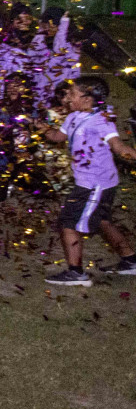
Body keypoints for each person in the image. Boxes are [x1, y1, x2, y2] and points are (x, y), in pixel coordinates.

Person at [38, 76, 136, 286]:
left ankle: (76, 273)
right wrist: (43, 129)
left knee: (68, 222)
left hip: (94, 184)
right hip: (93, 181)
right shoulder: (74, 116)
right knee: (102, 220)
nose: (66, 98)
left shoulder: (101, 120)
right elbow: (58, 137)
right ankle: (131, 261)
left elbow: (119, 148)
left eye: (71, 94)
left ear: (87, 97)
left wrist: (131, 154)